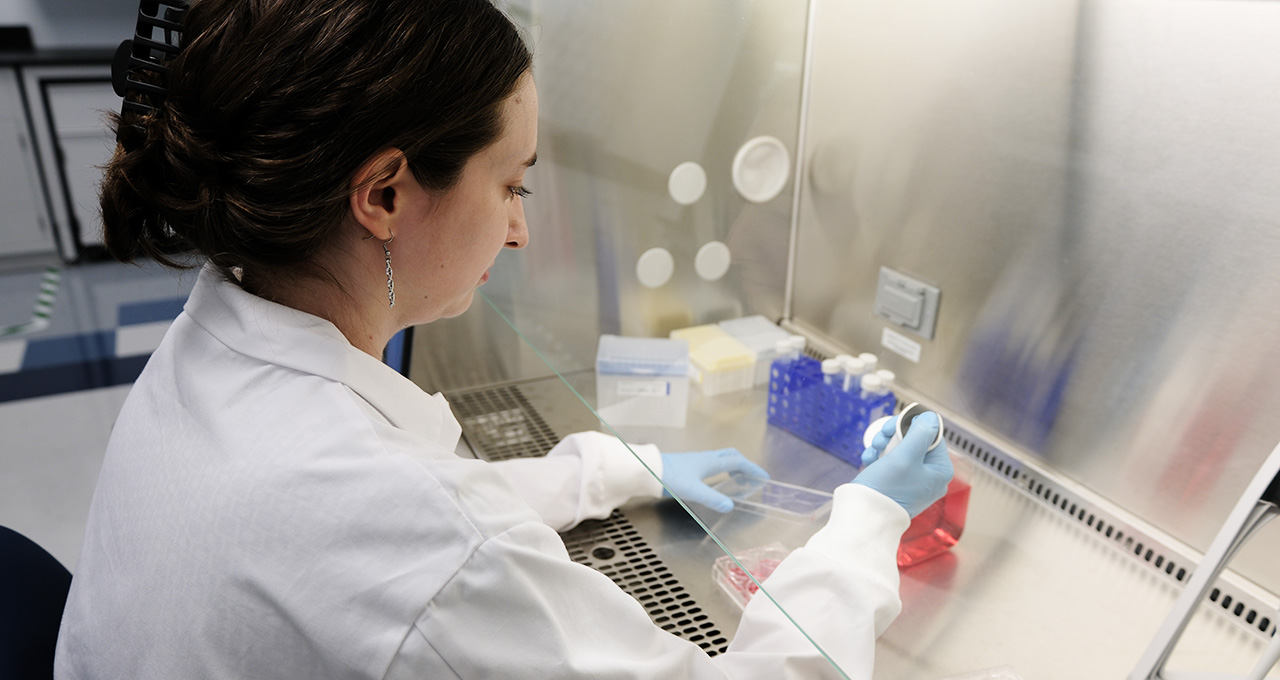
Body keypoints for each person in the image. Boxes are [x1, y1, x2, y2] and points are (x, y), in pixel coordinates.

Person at [54, 1, 953, 678]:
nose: (520, 234)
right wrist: (868, 522)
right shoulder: (412, 535)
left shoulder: (211, 343)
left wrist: (612, 470)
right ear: (384, 196)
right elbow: (424, 541)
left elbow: (388, 512)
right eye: (512, 187)